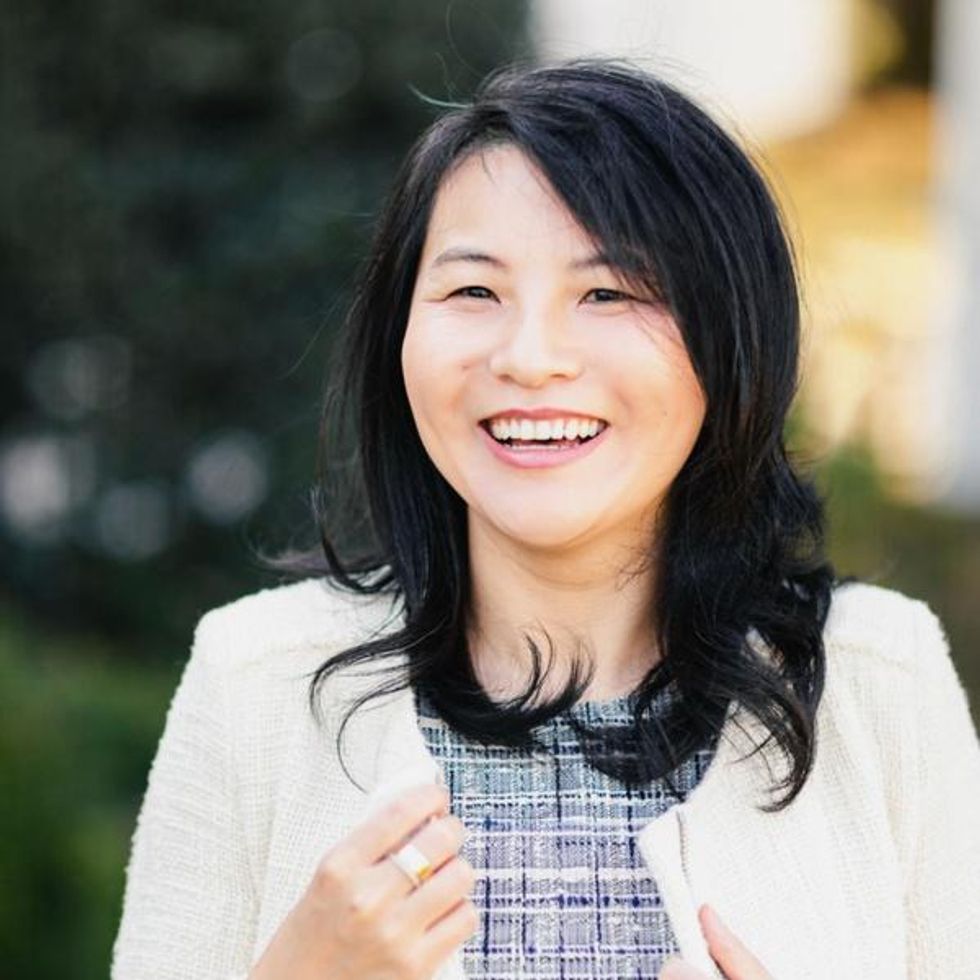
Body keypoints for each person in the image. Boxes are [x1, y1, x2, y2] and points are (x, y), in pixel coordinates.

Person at [110, 59, 980, 980]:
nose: (530, 359)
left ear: (732, 339)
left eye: (609, 292)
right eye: (473, 292)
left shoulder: (878, 679)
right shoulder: (256, 678)